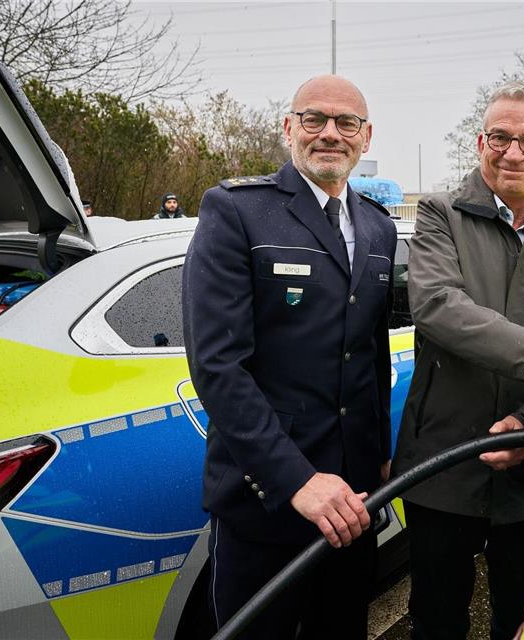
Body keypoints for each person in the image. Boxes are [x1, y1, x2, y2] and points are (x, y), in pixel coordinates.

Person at [391, 81, 524, 640]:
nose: (513, 152)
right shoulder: (439, 215)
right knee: (436, 619)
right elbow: (438, 307)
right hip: (443, 463)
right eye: (500, 137)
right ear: (480, 142)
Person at [182, 75, 397, 639]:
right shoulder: (237, 210)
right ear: (288, 128)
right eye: (314, 119)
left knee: (341, 629)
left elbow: (368, 348)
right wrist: (298, 480)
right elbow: (218, 366)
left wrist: (379, 456)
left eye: (346, 122)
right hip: (268, 497)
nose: (330, 133)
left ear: (366, 136)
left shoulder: (378, 226)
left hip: (352, 499)